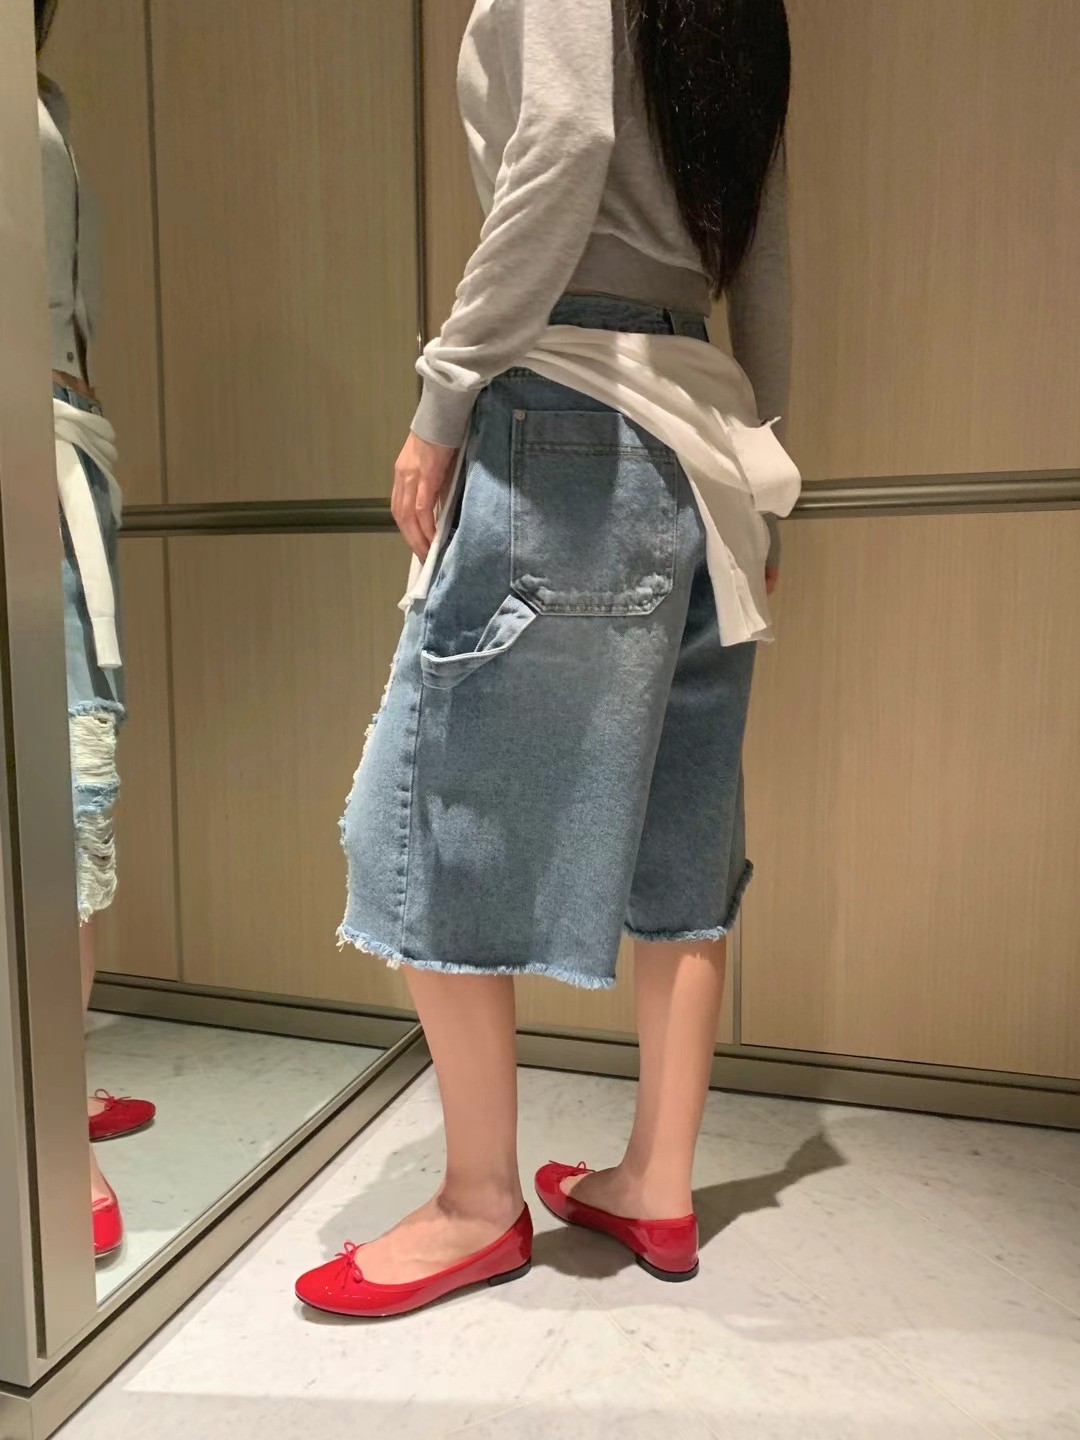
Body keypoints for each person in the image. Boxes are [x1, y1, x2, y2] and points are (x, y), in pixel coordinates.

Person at [296, 0, 795, 1317]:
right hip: (713, 443)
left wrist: (444, 391)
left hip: (569, 411)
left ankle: (476, 1204)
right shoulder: (739, 13)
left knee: (423, 817)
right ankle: (658, 1183)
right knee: (685, 836)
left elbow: (566, 135)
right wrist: (766, 461)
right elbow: (768, 243)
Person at [35, 0, 155, 1261]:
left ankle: (47, 1079)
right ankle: (41, 1124)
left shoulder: (43, 102)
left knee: (73, 782)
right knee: (63, 793)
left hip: (66, 448)